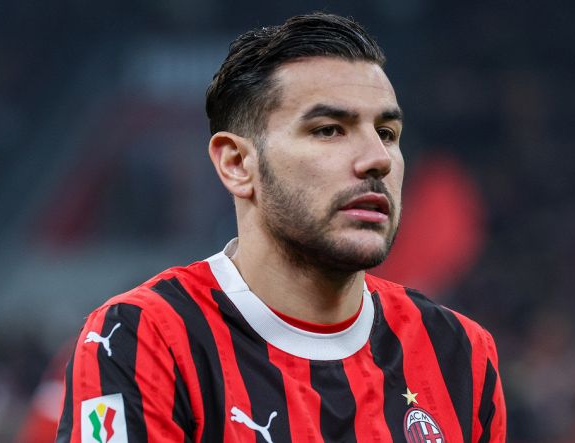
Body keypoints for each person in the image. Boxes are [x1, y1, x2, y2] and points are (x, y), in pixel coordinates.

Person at [56, 12, 506, 443]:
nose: (378, 159)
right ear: (237, 164)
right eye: (329, 130)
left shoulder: (459, 353)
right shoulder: (143, 337)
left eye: (387, 133)